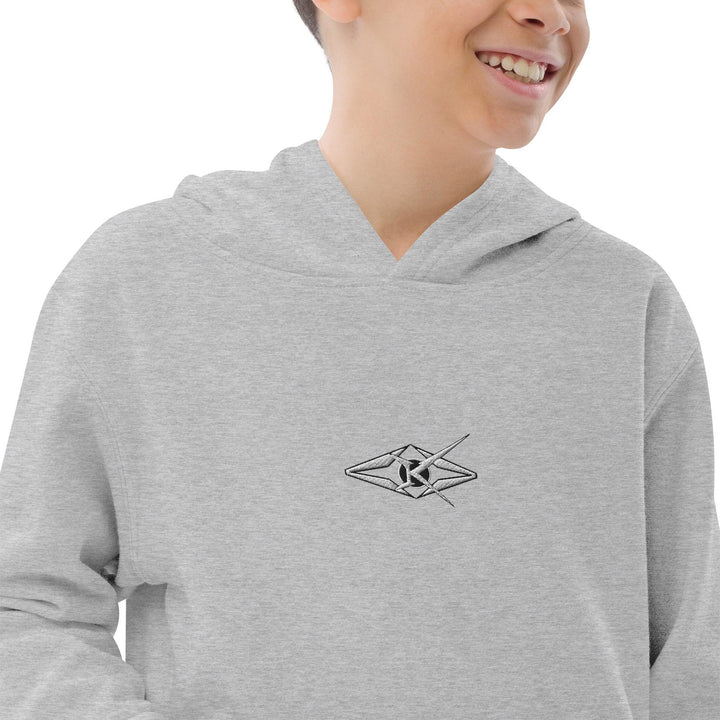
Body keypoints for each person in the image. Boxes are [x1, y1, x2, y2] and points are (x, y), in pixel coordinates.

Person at [1, 1, 718, 718]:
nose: (549, 14)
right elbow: (28, 607)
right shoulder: (147, 279)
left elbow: (695, 656)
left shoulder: (624, 301)